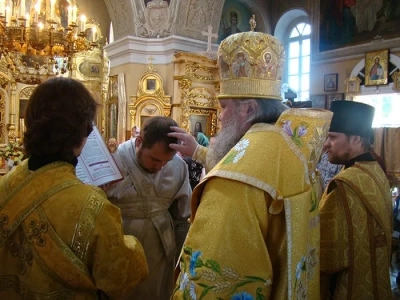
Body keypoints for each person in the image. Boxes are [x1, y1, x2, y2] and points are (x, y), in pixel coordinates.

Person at [169, 30, 332, 299]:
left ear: (248, 109)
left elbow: (210, 280)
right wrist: (198, 151)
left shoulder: (232, 182)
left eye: (224, 107)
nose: (220, 117)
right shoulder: (298, 155)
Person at [0, 77, 148, 299]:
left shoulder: (7, 183)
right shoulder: (93, 205)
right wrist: (135, 245)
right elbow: (122, 275)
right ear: (84, 133)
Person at [105, 116, 191, 300]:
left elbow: (182, 216)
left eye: (165, 162)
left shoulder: (178, 166)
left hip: (160, 251)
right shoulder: (113, 162)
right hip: (120, 248)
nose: (159, 167)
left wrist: (181, 261)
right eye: (154, 159)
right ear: (139, 141)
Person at [319, 100, 392, 299]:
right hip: (377, 283)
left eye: (332, 137)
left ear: (356, 139)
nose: (326, 145)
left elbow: (326, 257)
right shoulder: (376, 171)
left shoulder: (344, 184)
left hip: (349, 289)